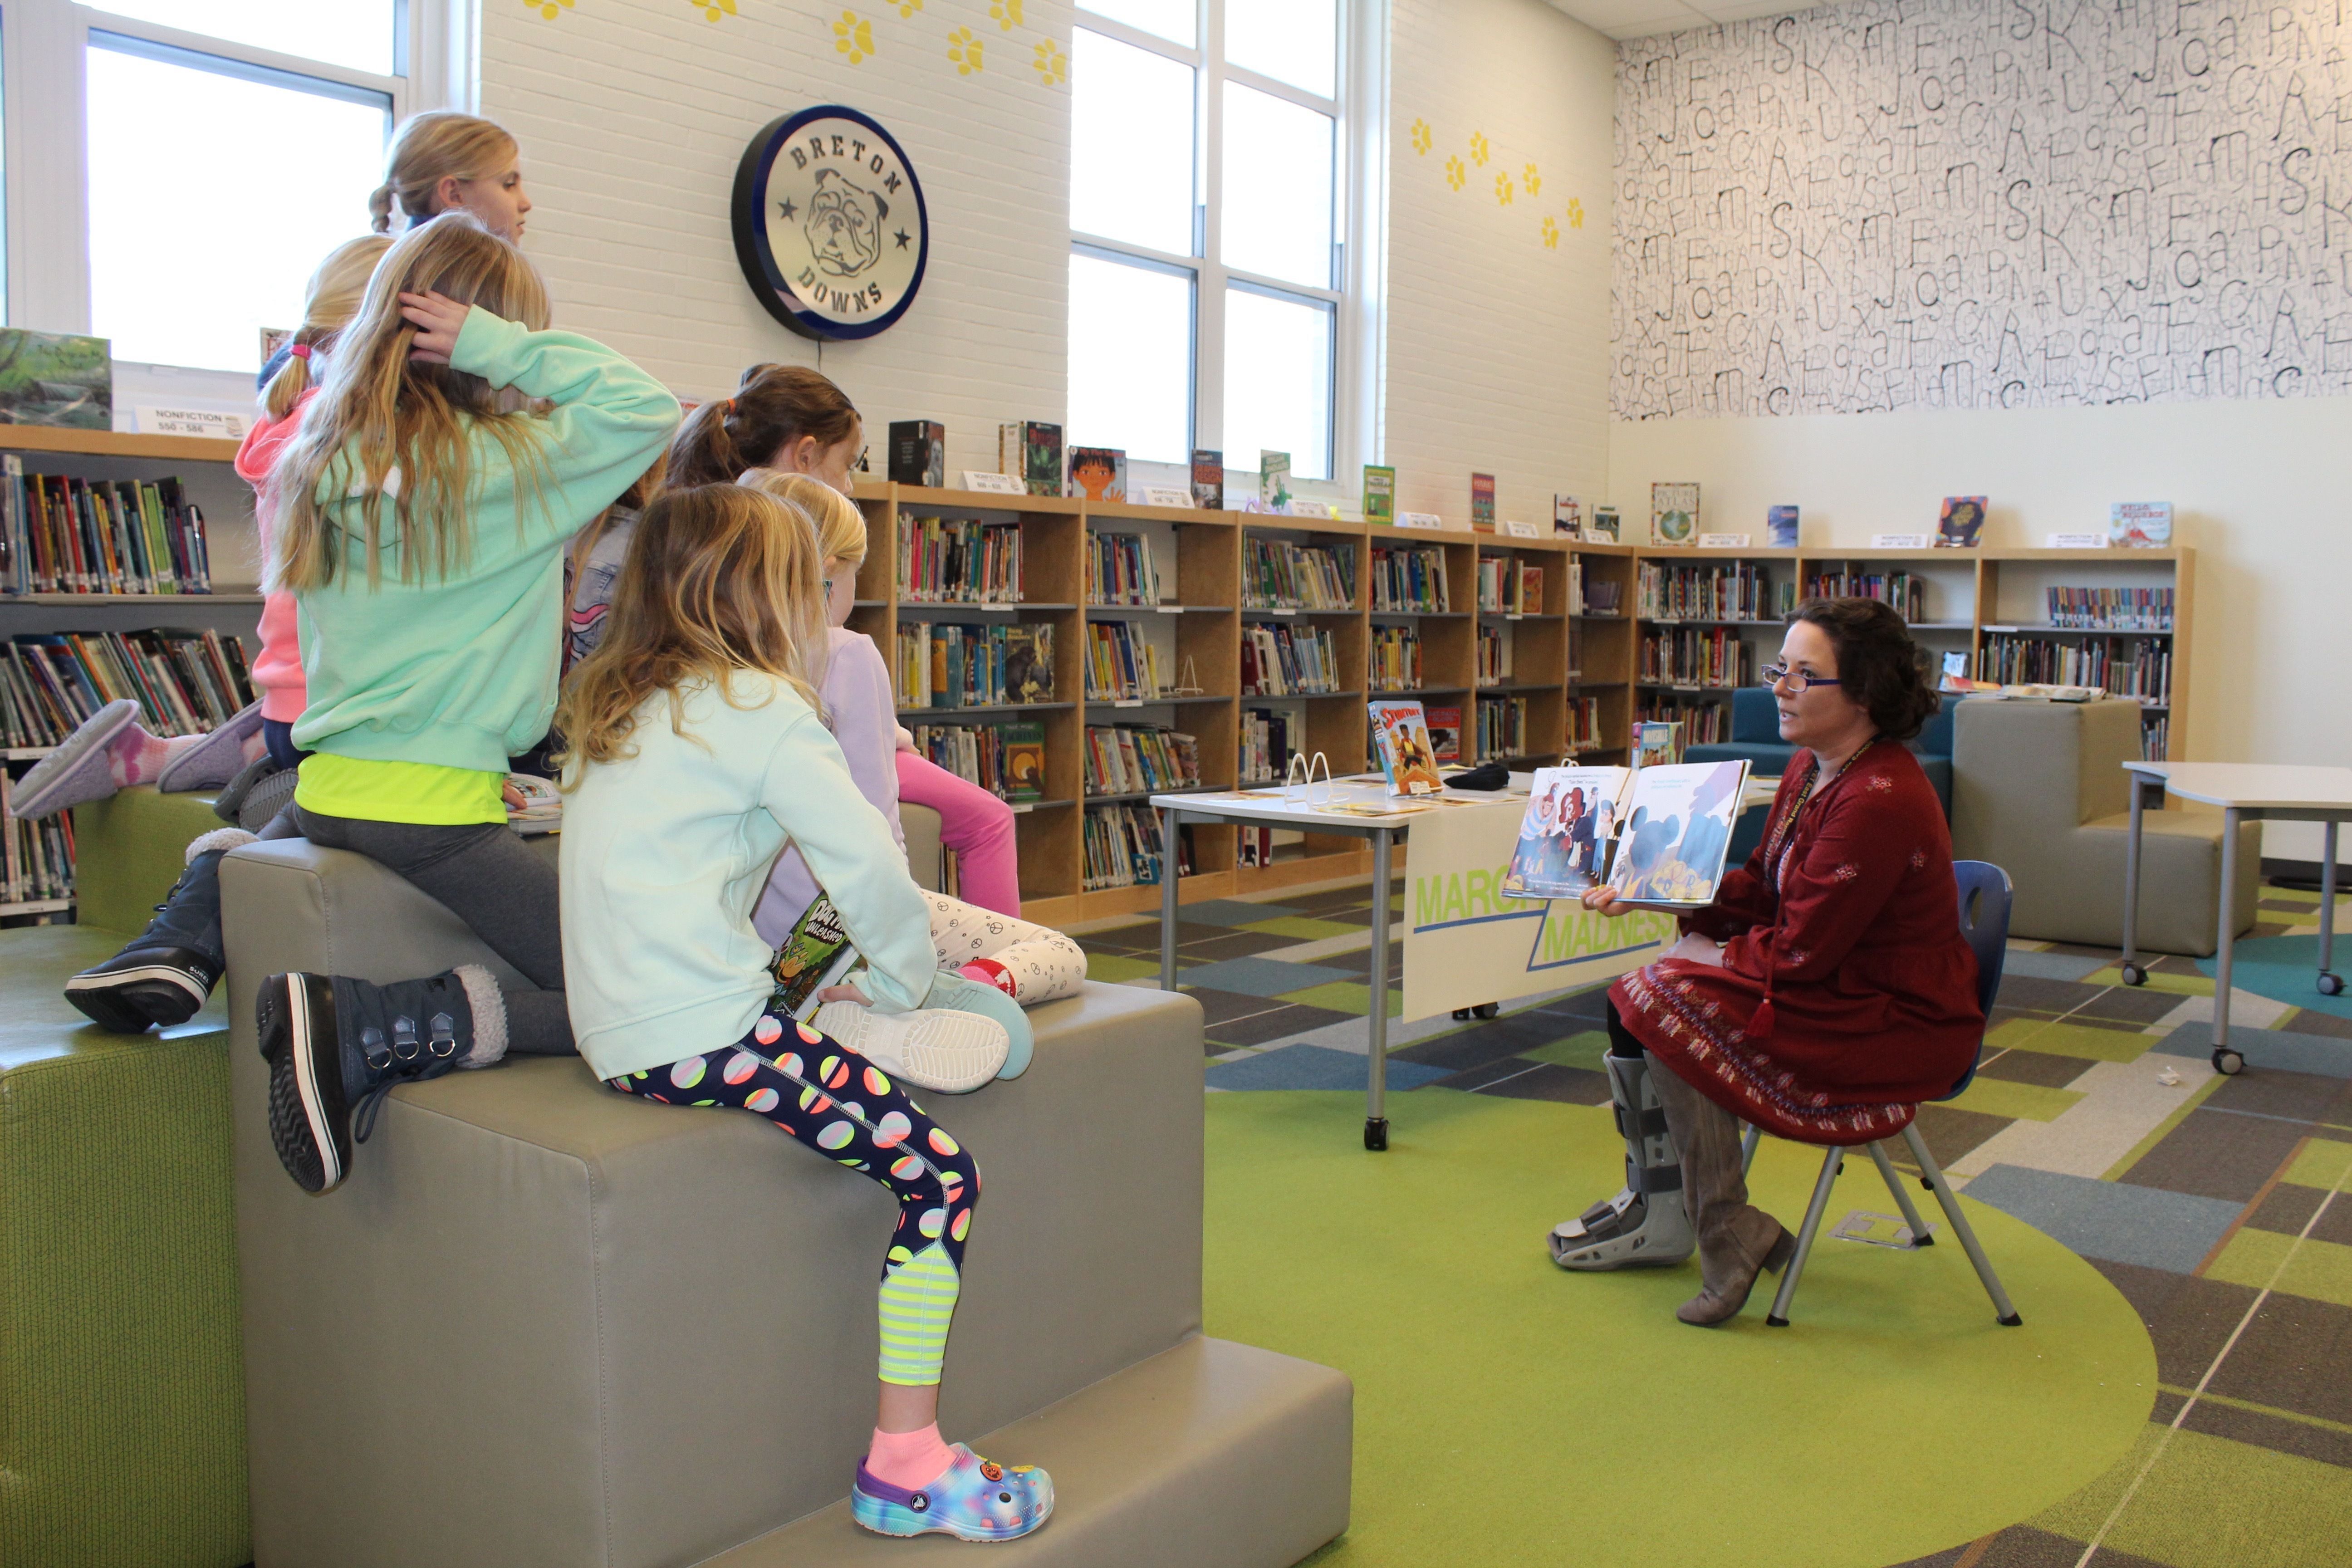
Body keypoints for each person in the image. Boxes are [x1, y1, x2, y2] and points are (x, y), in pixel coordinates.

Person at [552, 481, 1051, 1543]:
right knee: (940, 1173)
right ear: (772, 598)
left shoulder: (624, 698)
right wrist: (914, 978)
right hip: (702, 1032)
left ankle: (852, 1013)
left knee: (816, 1006)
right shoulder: (766, 708)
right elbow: (866, 864)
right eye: (816, 586)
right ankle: (906, 1462)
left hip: (622, 1023)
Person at [253, 211, 681, 1197]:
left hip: (325, 787)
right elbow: (647, 407)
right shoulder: (510, 469)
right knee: (649, 997)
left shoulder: (326, 455)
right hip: (433, 811)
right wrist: (505, 345)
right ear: (481, 340)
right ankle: (370, 1022)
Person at [1549, 598, 1981, 1325]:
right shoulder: (1816, 770)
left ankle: (1716, 1225)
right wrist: (1655, 893)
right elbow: (1762, 887)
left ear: (1866, 692)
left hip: (1889, 1017)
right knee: (1649, 994)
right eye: (1780, 667)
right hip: (1841, 983)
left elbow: (1804, 949)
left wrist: (1709, 951)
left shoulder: (1876, 798)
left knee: (1660, 999)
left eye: (1804, 675)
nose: (1779, 685)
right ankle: (1669, 1207)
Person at [36, 235, 395, 1031]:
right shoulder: (368, 434)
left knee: (282, 779)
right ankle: (185, 919)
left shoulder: (289, 425)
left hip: (289, 702)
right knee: (342, 789)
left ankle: (176, 924)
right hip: (351, 703)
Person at [664, 362, 1025, 916]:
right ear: (805, 455)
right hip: (845, 919)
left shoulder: (708, 525)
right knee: (990, 821)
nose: (852, 484)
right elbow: (873, 824)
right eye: (848, 464)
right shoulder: (841, 647)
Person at [736, 470, 1085, 1032]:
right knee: (1061, 953)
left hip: (762, 957)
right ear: (829, 574)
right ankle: (947, 992)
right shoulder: (844, 654)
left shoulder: (725, 661)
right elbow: (877, 829)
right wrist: (900, 950)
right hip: (849, 931)